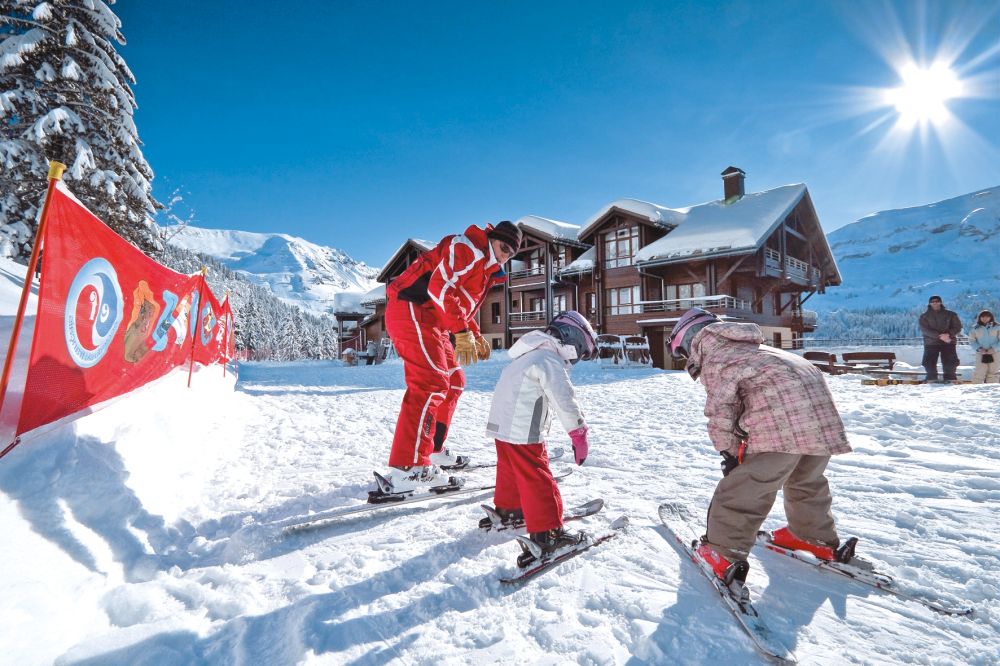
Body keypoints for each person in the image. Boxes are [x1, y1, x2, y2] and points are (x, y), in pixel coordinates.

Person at [666, 307, 854, 589]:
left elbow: (721, 411)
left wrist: (729, 453)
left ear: (690, 340)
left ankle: (721, 552)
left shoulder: (718, 356)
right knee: (806, 481)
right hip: (821, 423)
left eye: (683, 353)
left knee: (743, 490)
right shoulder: (757, 349)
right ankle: (812, 537)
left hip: (781, 426)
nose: (688, 359)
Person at [379, 220, 522, 494]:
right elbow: (439, 288)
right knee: (430, 383)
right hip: (412, 308)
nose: (505, 255)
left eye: (511, 254)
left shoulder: (486, 268)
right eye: (503, 247)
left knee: (455, 381)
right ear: (492, 238)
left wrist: (474, 333)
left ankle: (432, 450)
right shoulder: (468, 249)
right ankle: (409, 468)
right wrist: (461, 332)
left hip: (435, 321)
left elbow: (459, 302)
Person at [482, 311, 597, 563]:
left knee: (510, 470)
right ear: (573, 340)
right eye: (581, 351)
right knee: (537, 477)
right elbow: (564, 400)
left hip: (502, 426)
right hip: (523, 430)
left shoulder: (527, 355)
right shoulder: (548, 360)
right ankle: (549, 534)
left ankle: (510, 510)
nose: (577, 358)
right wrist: (579, 432)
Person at [918, 296, 963, 382]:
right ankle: (931, 378)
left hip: (948, 341)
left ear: (941, 302)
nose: (935, 303)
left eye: (937, 301)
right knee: (929, 362)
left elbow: (958, 327)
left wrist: (948, 334)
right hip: (931, 342)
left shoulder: (951, 314)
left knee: (950, 361)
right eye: (932, 301)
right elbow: (925, 330)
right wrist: (939, 336)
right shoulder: (924, 316)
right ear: (929, 303)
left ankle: (950, 378)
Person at [968, 309, 999, 384]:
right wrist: (979, 349)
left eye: (987, 316)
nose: (985, 318)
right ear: (979, 318)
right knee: (979, 371)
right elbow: (972, 340)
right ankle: (975, 387)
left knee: (993, 372)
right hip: (981, 353)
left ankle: (991, 388)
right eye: (983, 317)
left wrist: (994, 348)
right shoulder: (975, 328)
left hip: (995, 353)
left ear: (991, 317)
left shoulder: (997, 327)